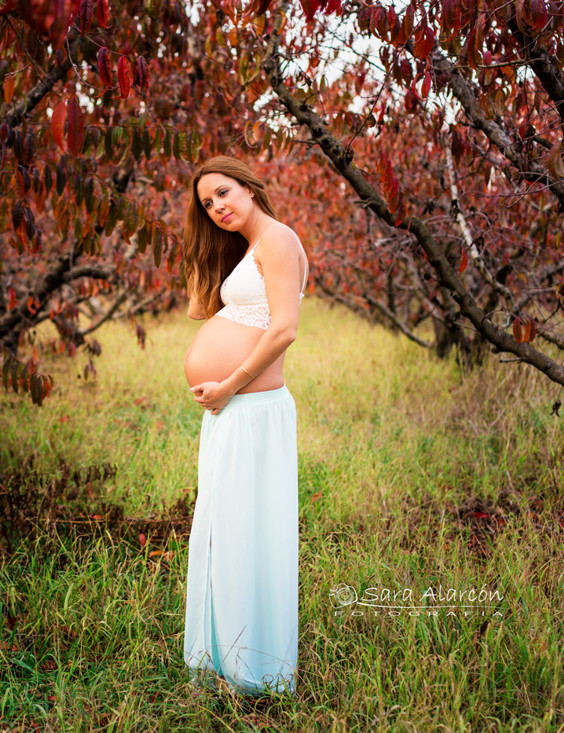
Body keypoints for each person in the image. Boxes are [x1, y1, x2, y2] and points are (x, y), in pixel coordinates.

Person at [181, 156, 308, 698]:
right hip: (231, 411)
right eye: (208, 204)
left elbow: (283, 331)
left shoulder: (278, 240)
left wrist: (230, 383)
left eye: (225, 193)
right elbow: (197, 309)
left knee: (246, 534)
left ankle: (251, 669)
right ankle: (224, 658)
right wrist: (205, 246)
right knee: (224, 531)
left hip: (251, 409)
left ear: (252, 187)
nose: (218, 207)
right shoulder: (249, 250)